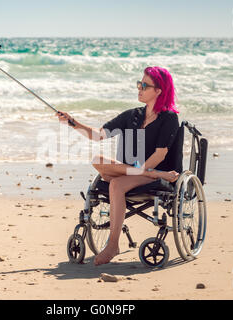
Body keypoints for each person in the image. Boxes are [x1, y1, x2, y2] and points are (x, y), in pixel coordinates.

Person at [56, 66, 181, 266]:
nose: (139, 88)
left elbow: (160, 154)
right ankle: (149, 173)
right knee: (97, 159)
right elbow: (98, 135)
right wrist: (74, 123)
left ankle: (112, 244)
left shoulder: (169, 118)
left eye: (144, 85)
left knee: (116, 185)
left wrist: (147, 172)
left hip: (152, 177)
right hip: (139, 171)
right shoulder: (131, 115)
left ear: (159, 91)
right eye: (139, 84)